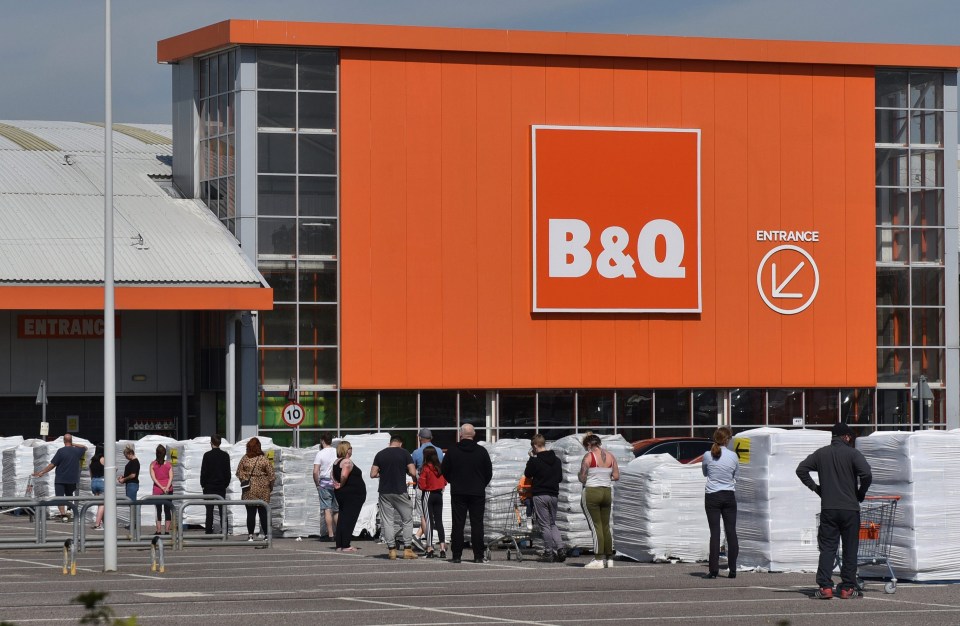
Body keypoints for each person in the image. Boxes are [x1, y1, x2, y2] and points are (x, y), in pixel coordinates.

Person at [797, 422, 873, 600]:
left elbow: (801, 469)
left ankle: (825, 587)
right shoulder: (853, 454)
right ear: (846, 437)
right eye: (850, 437)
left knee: (828, 548)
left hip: (829, 508)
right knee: (850, 549)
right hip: (850, 509)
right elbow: (867, 474)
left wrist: (816, 488)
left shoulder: (821, 453)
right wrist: (860, 493)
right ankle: (847, 588)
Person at [440, 423, 492, 564]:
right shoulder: (482, 451)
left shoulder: (452, 451)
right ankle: (478, 555)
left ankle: (456, 555)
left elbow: (444, 469)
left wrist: (453, 481)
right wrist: (481, 484)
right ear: (474, 434)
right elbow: (489, 472)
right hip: (477, 492)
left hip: (458, 491)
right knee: (477, 524)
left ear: (460, 434)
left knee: (458, 523)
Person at [371, 434, 418, 559]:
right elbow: (413, 472)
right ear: (400, 443)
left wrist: (383, 473)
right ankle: (407, 549)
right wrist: (411, 476)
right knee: (407, 519)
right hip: (400, 490)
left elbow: (373, 474)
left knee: (387, 521)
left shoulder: (380, 454)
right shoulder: (405, 453)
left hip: (384, 492)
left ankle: (392, 550)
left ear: (390, 443)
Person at [701, 426, 739, 579]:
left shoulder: (707, 455)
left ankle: (713, 570)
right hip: (729, 495)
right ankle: (733, 569)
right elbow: (736, 474)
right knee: (731, 532)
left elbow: (705, 473)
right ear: (727, 439)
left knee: (715, 533)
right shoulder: (733, 456)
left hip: (712, 495)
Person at [578, 433, 620, 569]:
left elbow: (582, 478)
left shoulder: (589, 457)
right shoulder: (611, 456)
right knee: (605, 526)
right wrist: (604, 477)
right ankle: (609, 558)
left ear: (590, 444)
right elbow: (616, 476)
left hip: (592, 492)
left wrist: (585, 475)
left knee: (595, 526)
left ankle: (598, 558)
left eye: (586, 446)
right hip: (606, 492)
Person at [523, 433, 565, 563]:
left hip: (540, 494)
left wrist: (531, 459)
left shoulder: (535, 461)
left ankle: (548, 552)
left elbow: (528, 474)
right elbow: (559, 478)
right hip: (553, 495)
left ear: (535, 446)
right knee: (552, 523)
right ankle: (561, 548)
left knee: (544, 525)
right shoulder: (557, 460)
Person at [33, 433, 87, 522]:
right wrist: (72, 444)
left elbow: (52, 465)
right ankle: (69, 510)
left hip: (60, 479)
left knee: (60, 497)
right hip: (72, 478)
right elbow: (84, 447)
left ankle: (63, 515)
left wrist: (42, 472)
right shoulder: (77, 451)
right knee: (70, 496)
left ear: (64, 441)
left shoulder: (61, 451)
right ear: (71, 440)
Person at [236, 437, 275, 542]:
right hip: (263, 489)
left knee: (250, 513)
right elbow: (272, 475)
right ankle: (266, 535)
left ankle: (250, 535)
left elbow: (239, 472)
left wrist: (244, 480)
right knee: (263, 513)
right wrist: (270, 487)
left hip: (249, 489)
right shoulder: (264, 459)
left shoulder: (245, 458)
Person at [332, 440, 366, 553]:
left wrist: (336, 485)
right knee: (349, 519)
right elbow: (344, 475)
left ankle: (339, 544)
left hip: (343, 494)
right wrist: (341, 484)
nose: (352, 449)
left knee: (342, 518)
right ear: (347, 449)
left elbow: (331, 475)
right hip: (352, 495)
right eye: (350, 447)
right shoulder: (347, 462)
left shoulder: (336, 462)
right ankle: (345, 545)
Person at [411, 428, 443, 546]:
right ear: (431, 438)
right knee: (435, 516)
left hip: (423, 487)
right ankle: (420, 537)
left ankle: (428, 543)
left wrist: (416, 481)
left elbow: (413, 471)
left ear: (420, 438)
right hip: (437, 488)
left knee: (424, 516)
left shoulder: (416, 453)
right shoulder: (439, 451)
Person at [417, 446, 448, 559]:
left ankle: (430, 548)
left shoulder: (425, 468)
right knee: (439, 521)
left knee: (429, 521)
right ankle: (442, 548)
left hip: (428, 494)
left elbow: (422, 485)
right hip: (439, 495)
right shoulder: (440, 467)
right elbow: (444, 481)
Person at [200, 435, 231, 534]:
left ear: (211, 443)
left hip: (209, 486)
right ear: (220, 443)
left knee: (209, 510)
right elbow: (228, 473)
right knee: (222, 509)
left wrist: (203, 484)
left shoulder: (207, 455)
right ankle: (224, 530)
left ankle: (208, 530)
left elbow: (203, 472)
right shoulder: (225, 456)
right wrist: (225, 484)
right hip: (221, 486)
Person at [312, 433, 339, 542]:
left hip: (324, 483)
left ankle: (330, 535)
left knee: (327, 510)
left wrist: (317, 483)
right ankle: (339, 533)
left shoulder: (320, 454)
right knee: (337, 510)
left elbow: (315, 471)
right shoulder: (336, 452)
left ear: (322, 441)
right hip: (336, 482)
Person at [149, 444, 174, 535]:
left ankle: (158, 530)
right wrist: (166, 487)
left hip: (157, 490)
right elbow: (171, 477)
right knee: (167, 510)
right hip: (168, 490)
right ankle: (167, 531)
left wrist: (161, 487)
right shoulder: (168, 464)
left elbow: (154, 478)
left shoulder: (152, 465)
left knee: (158, 510)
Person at [118, 446, 140, 528]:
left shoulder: (134, 462)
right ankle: (133, 522)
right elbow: (130, 474)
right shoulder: (132, 462)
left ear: (130, 454)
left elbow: (133, 475)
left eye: (126, 455)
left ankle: (134, 523)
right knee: (131, 504)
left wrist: (124, 479)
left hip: (132, 484)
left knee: (132, 504)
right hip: (130, 484)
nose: (126, 457)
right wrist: (123, 477)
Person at [90, 444, 106, 530]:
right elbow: (108, 470)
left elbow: (91, 474)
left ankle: (103, 523)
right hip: (102, 481)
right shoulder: (103, 459)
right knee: (102, 504)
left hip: (93, 482)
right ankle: (97, 524)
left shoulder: (92, 460)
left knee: (100, 504)